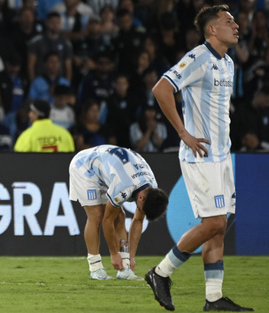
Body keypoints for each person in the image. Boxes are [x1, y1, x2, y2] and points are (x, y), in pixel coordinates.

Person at [146, 5, 254, 311]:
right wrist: (183, 132)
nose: (235, 25)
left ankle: (214, 298)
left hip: (222, 157)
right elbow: (162, 88)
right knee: (213, 223)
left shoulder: (229, 64)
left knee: (220, 225)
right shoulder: (198, 57)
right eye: (228, 21)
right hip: (201, 156)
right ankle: (160, 272)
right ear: (211, 29)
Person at [69, 144, 168, 280]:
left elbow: (138, 221)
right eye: (140, 209)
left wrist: (130, 257)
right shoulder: (124, 186)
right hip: (84, 167)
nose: (139, 212)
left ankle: (124, 269)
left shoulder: (152, 188)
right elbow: (107, 220)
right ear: (141, 197)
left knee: (120, 216)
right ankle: (95, 268)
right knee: (97, 215)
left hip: (108, 168)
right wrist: (113, 253)